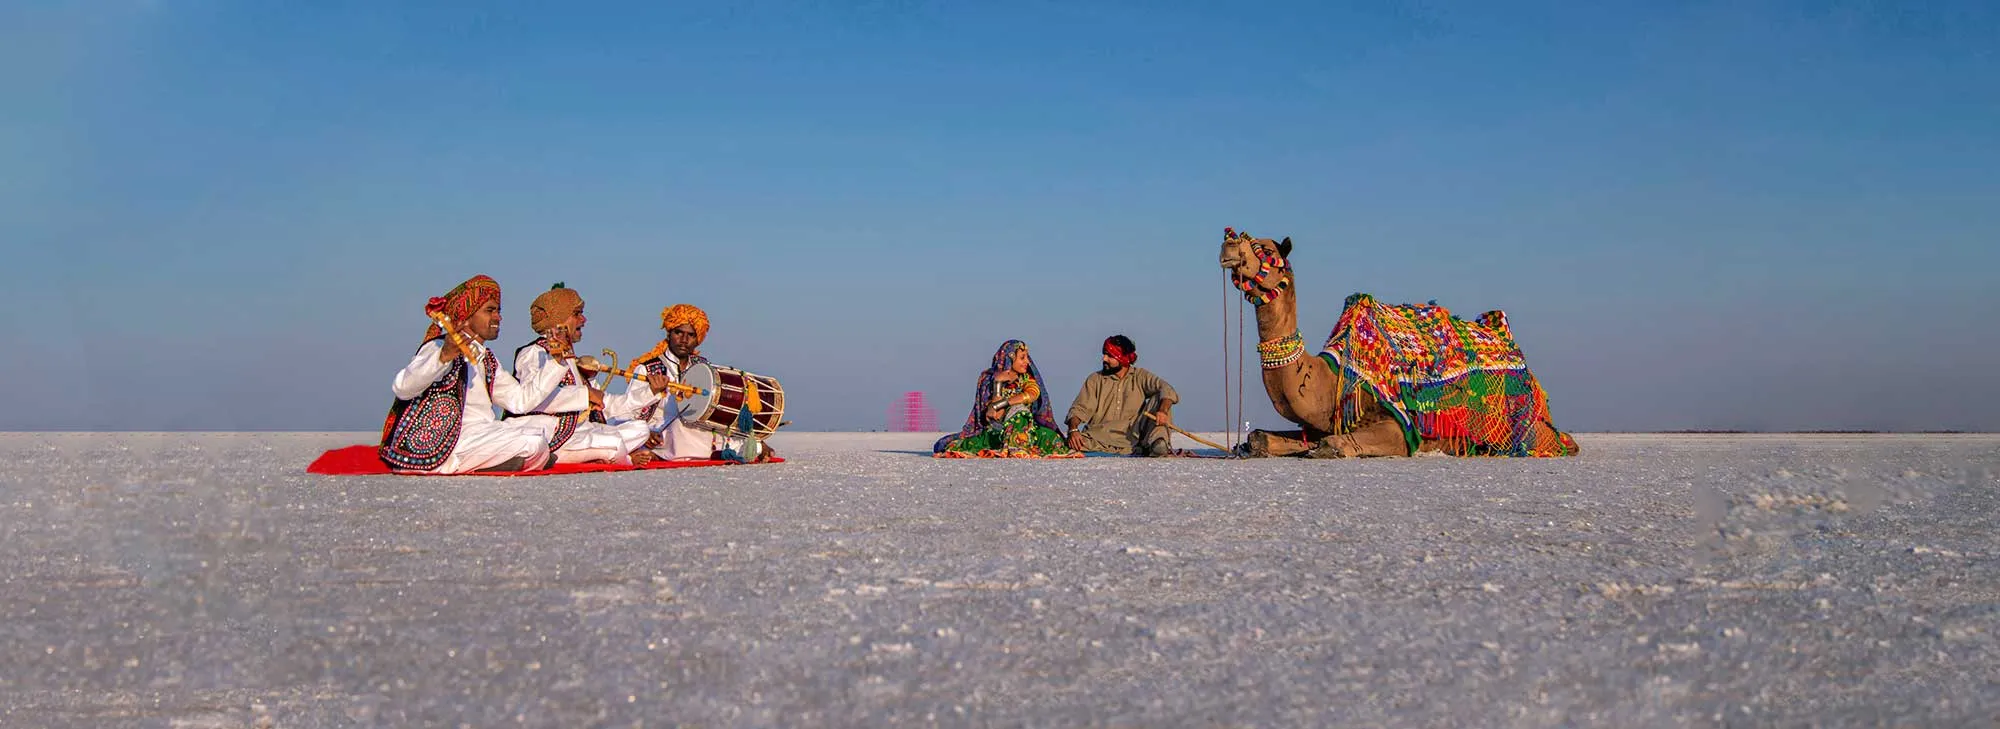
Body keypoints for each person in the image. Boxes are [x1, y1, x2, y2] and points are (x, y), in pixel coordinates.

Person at [378, 275, 586, 474]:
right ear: (467, 315)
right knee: (532, 443)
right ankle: (453, 464)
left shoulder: (485, 357)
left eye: (498, 310)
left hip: (480, 434)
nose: (498, 317)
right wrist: (443, 357)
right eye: (490, 310)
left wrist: (556, 362)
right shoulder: (439, 347)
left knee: (537, 439)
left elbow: (520, 401)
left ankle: (498, 461)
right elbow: (402, 388)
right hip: (449, 439)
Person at [605, 304, 776, 462]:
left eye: (691, 335)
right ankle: (746, 450)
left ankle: (753, 446)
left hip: (698, 429)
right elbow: (628, 412)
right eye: (679, 332)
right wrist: (648, 432)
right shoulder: (647, 369)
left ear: (698, 339)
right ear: (669, 333)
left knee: (716, 431)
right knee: (680, 429)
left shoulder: (704, 368)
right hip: (658, 434)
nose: (684, 339)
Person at [507, 283, 656, 465]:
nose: (583, 320)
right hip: (546, 432)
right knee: (615, 444)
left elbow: (605, 403)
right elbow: (531, 398)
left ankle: (593, 455)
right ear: (559, 320)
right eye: (577, 314)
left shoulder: (571, 360)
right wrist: (585, 395)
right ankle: (618, 458)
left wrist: (652, 392)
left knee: (640, 429)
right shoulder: (534, 353)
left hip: (577, 431)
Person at [933, 340, 1080, 458]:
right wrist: (998, 384)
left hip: (1029, 431)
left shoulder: (1027, 379)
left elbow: (1032, 394)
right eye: (1022, 358)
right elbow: (993, 415)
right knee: (1017, 413)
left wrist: (1004, 403)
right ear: (1010, 359)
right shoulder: (988, 380)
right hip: (999, 431)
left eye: (1027, 358)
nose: (1027, 362)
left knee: (1050, 436)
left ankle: (1019, 445)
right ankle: (1013, 446)